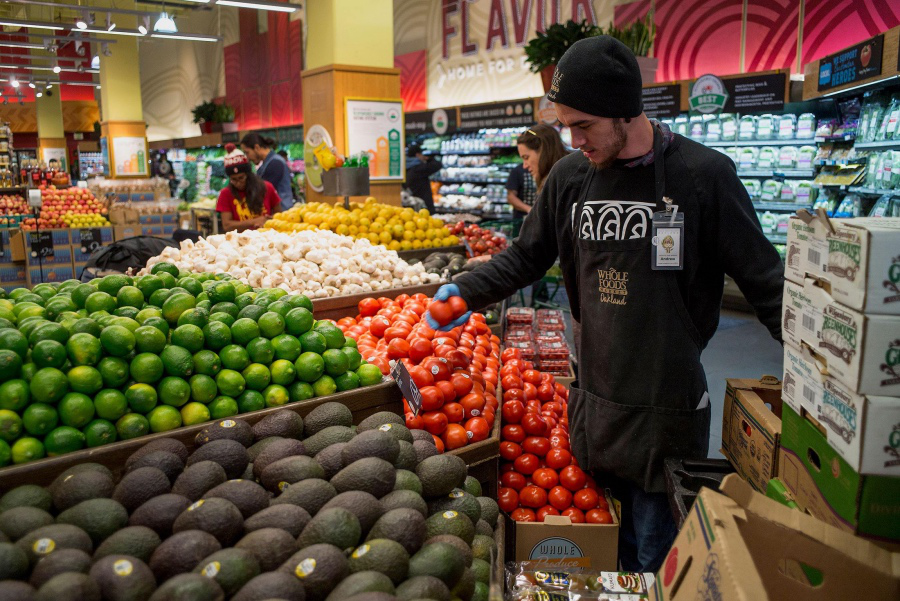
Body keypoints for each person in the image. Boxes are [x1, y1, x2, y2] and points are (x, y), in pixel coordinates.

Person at [427, 36, 784, 572]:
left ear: (625, 110)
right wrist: (461, 294)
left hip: (668, 410)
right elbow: (526, 257)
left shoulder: (702, 176)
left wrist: (817, 379)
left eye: (584, 125)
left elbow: (766, 282)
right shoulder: (571, 178)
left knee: (654, 558)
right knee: (600, 558)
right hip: (593, 402)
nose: (573, 139)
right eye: (566, 125)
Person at [216, 144, 281, 232]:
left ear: (248, 174)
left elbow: (280, 215)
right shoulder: (226, 194)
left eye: (241, 178)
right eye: (233, 180)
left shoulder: (267, 187)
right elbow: (227, 226)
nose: (238, 183)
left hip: (267, 239)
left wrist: (269, 220)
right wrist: (254, 221)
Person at [513, 124, 568, 216]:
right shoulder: (554, 181)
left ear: (544, 152)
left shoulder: (562, 183)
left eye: (526, 157)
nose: (524, 166)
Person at [241, 133, 294, 211]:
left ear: (257, 147)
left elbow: (262, 191)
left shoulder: (275, 163)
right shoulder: (267, 163)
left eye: (247, 152)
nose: (247, 157)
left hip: (281, 213)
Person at [405, 143, 442, 213]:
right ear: (417, 155)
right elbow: (437, 165)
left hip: (412, 204)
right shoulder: (418, 168)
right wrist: (428, 158)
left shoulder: (406, 167)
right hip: (423, 205)